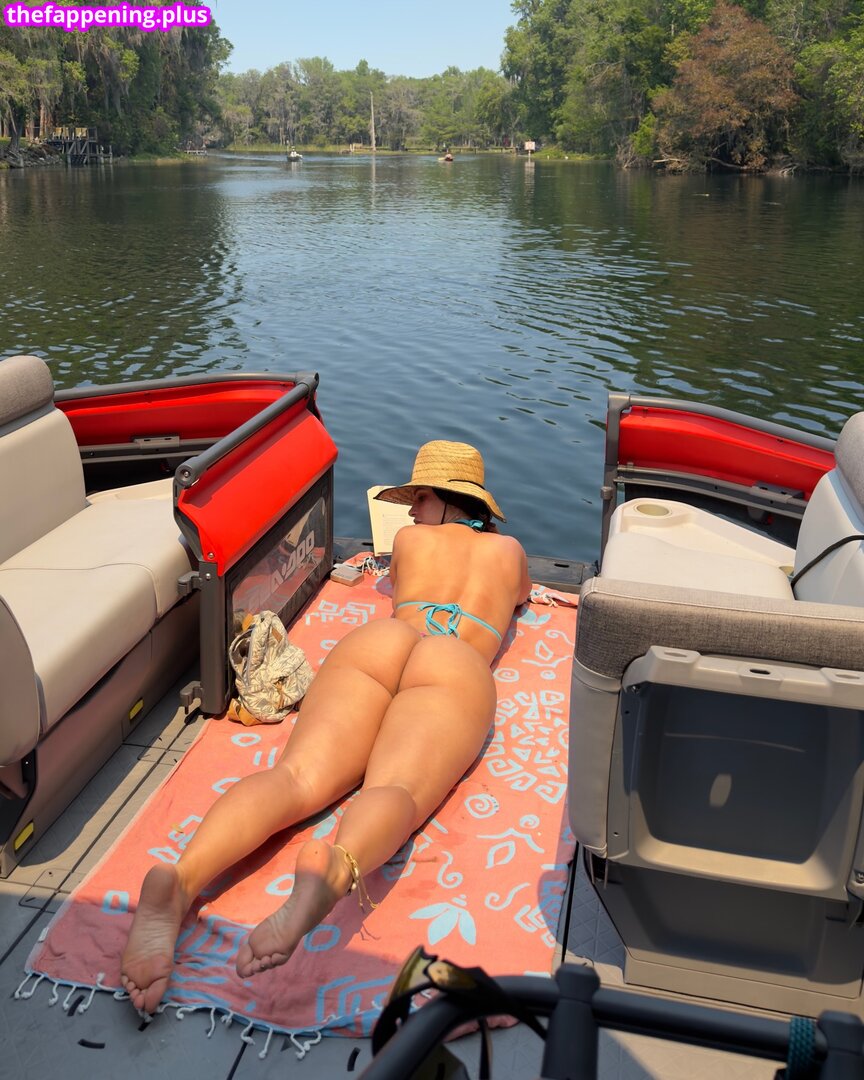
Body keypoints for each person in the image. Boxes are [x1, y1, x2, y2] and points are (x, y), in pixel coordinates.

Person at [120, 440, 531, 1014]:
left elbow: (398, 581)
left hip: (383, 642)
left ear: (445, 501)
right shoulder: (510, 552)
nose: (411, 513)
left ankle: (182, 880)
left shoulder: (409, 543)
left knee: (295, 777)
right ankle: (336, 867)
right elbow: (521, 599)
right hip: (454, 659)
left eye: (418, 500)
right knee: (397, 788)